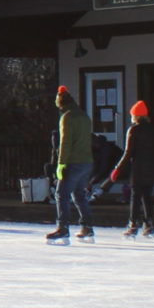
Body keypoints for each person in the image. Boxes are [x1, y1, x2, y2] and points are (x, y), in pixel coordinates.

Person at [108, 100, 154, 238]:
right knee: (147, 197)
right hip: (152, 168)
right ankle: (149, 225)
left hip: (138, 168)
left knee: (135, 196)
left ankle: (133, 224)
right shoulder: (153, 130)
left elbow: (128, 153)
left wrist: (118, 168)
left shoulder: (133, 130)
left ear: (135, 116)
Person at [46, 86, 95, 244]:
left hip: (73, 162)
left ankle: (63, 228)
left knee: (61, 194)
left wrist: (61, 164)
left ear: (60, 103)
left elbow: (65, 142)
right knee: (79, 195)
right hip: (86, 162)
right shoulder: (84, 116)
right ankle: (87, 227)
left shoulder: (67, 117)